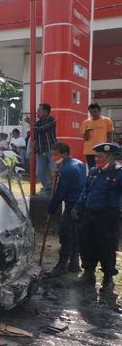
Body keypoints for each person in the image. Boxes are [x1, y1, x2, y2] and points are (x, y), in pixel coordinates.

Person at [72, 142, 122, 291]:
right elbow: (85, 191)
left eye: (100, 156)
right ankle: (88, 273)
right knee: (86, 243)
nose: (96, 159)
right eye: (95, 156)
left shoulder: (118, 173)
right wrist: (78, 206)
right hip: (89, 214)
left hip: (107, 216)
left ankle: (108, 278)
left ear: (110, 157)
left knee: (106, 246)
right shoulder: (94, 171)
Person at [47, 142, 86, 276]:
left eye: (55, 155)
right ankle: (74, 264)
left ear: (64, 154)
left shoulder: (67, 170)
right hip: (81, 204)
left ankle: (61, 266)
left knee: (65, 234)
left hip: (72, 205)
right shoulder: (79, 163)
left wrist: (50, 209)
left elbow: (60, 193)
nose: (53, 157)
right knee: (75, 234)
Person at [26, 103, 57, 195]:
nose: (37, 112)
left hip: (51, 150)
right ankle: (48, 187)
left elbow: (40, 129)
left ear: (46, 111)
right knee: (39, 173)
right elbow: (35, 137)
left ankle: (55, 189)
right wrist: (32, 150)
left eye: (39, 110)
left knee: (54, 171)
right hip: (40, 151)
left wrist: (30, 123)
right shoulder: (37, 123)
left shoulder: (51, 119)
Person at [82, 103, 114, 168]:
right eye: (91, 112)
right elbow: (85, 138)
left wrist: (107, 149)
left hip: (102, 150)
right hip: (89, 151)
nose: (93, 114)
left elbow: (110, 136)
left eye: (95, 111)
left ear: (99, 111)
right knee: (92, 169)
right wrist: (87, 131)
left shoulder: (107, 120)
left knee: (104, 168)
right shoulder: (85, 122)